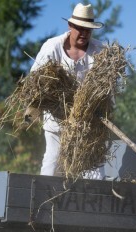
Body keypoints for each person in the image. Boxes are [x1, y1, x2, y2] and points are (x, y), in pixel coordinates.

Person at [30, 3, 105, 178]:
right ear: (70, 26)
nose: (84, 33)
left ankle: (95, 201)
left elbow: (108, 87)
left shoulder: (100, 51)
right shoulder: (52, 47)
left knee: (94, 166)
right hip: (57, 116)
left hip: (88, 120)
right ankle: (43, 198)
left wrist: (100, 109)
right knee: (53, 159)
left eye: (88, 29)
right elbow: (35, 81)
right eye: (80, 28)